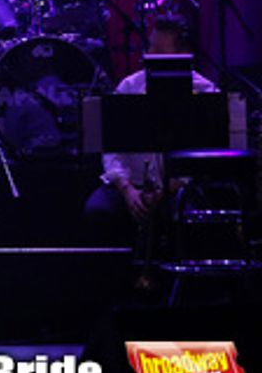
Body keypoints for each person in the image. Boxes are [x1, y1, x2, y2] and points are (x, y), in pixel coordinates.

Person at [83, 16, 216, 246]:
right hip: (132, 184)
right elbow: (112, 148)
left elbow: (204, 155)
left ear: (182, 54)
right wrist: (127, 190)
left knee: (190, 218)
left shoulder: (205, 91)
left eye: (160, 50)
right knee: (98, 211)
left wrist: (166, 189)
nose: (149, 55)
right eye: (150, 47)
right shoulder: (129, 86)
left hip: (178, 189)